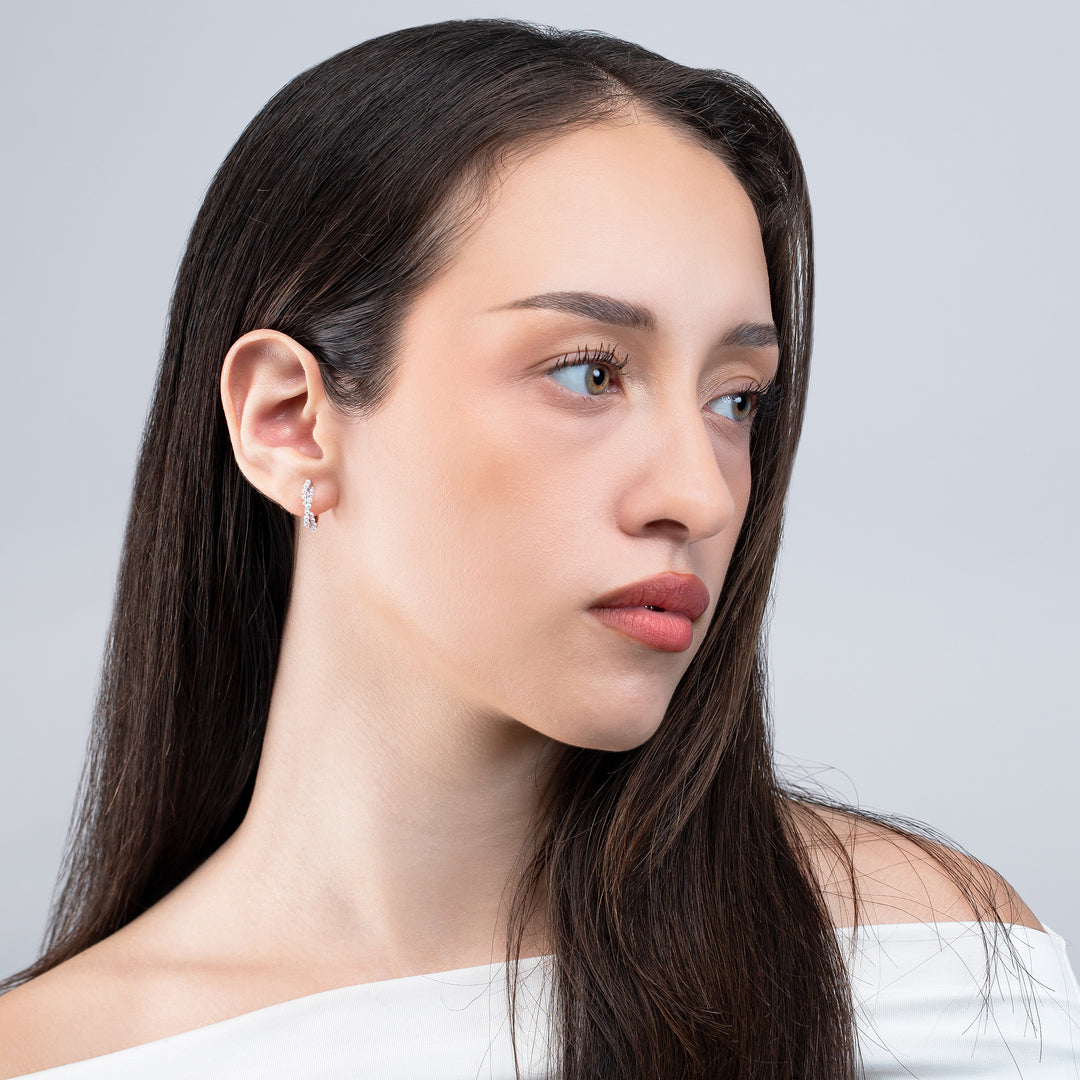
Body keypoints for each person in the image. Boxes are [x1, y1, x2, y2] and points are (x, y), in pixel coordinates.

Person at [0, 16, 1076, 1079]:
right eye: (589, 372)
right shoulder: (60, 1056)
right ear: (289, 421)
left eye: (736, 399)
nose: (701, 496)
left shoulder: (924, 970)